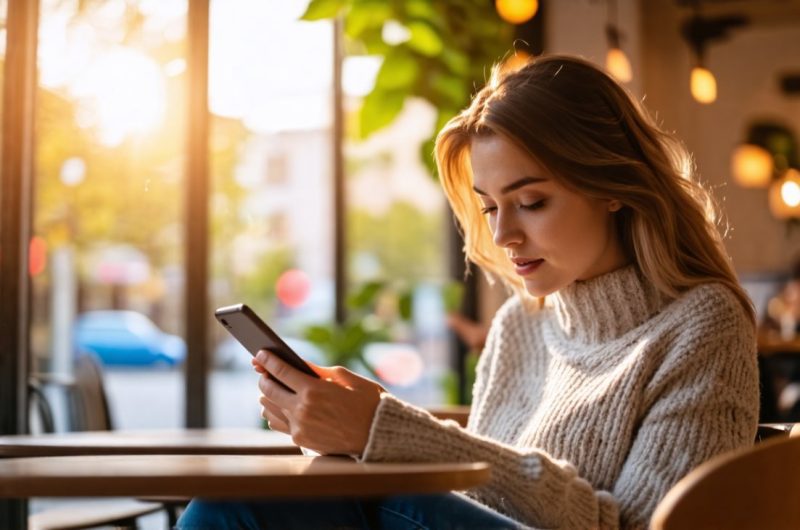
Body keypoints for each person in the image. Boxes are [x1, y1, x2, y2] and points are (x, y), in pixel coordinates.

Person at [177, 55, 759, 529]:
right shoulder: (520, 326)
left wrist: (390, 434)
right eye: (489, 207)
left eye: (531, 202)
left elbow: (632, 527)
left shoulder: (703, 324)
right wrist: (358, 433)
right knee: (231, 504)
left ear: (612, 186)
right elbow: (478, 507)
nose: (503, 234)